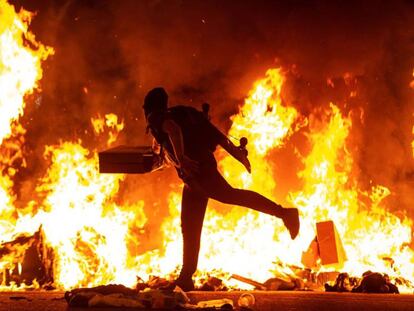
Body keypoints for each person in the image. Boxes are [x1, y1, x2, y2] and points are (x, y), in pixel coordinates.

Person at [143, 87, 300, 291]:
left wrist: (181, 158)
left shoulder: (160, 118)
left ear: (148, 108)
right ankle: (186, 276)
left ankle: (285, 213)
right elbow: (216, 135)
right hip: (195, 177)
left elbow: (173, 130)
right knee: (190, 225)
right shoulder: (184, 115)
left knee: (230, 195)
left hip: (199, 173)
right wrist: (238, 154)